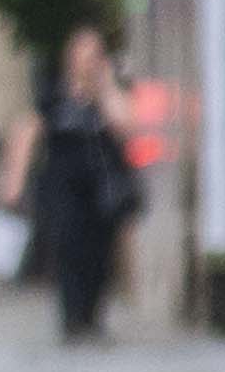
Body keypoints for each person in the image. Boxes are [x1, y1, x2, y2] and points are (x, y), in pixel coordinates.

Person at [10, 25, 143, 340]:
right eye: (82, 55)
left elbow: (126, 124)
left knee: (99, 254)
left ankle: (91, 318)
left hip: (102, 189)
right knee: (69, 247)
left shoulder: (109, 92)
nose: (87, 62)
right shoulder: (55, 93)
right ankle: (72, 319)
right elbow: (28, 131)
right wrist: (14, 179)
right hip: (63, 186)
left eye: (93, 55)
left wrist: (105, 87)